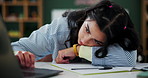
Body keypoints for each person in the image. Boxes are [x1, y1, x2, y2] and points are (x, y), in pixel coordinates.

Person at [11, 0, 140, 68]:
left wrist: (77, 50)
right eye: (87, 29)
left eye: (97, 42)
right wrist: (19, 56)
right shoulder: (59, 29)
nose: (85, 40)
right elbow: (14, 48)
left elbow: (129, 59)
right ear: (87, 15)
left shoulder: (114, 35)